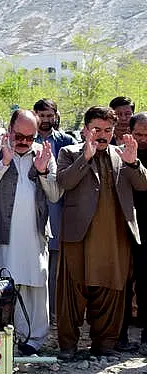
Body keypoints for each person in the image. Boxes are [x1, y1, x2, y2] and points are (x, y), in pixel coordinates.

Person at [56, 106, 147, 360]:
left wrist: (134, 162)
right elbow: (63, 182)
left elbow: (143, 184)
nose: (102, 135)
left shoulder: (122, 155)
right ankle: (68, 345)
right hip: (78, 237)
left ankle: (104, 344)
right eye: (97, 129)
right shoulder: (69, 152)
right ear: (85, 130)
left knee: (111, 291)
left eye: (108, 130)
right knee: (72, 292)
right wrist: (84, 158)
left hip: (115, 237)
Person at [0, 110, 60, 355]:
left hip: (33, 235)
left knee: (33, 285)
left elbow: (55, 195)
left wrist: (43, 171)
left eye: (29, 137)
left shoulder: (43, 153)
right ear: (10, 130)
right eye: (19, 135)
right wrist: (4, 163)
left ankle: (32, 340)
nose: (23, 141)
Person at [33, 99, 76, 324]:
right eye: (42, 115)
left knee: (57, 266)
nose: (46, 120)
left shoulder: (67, 142)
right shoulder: (28, 139)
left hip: (60, 211)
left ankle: (55, 314)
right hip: (35, 209)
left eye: (50, 116)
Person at [119, 112, 147, 354]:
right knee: (122, 282)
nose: (143, 139)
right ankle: (119, 335)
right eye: (138, 134)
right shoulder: (119, 154)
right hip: (124, 225)